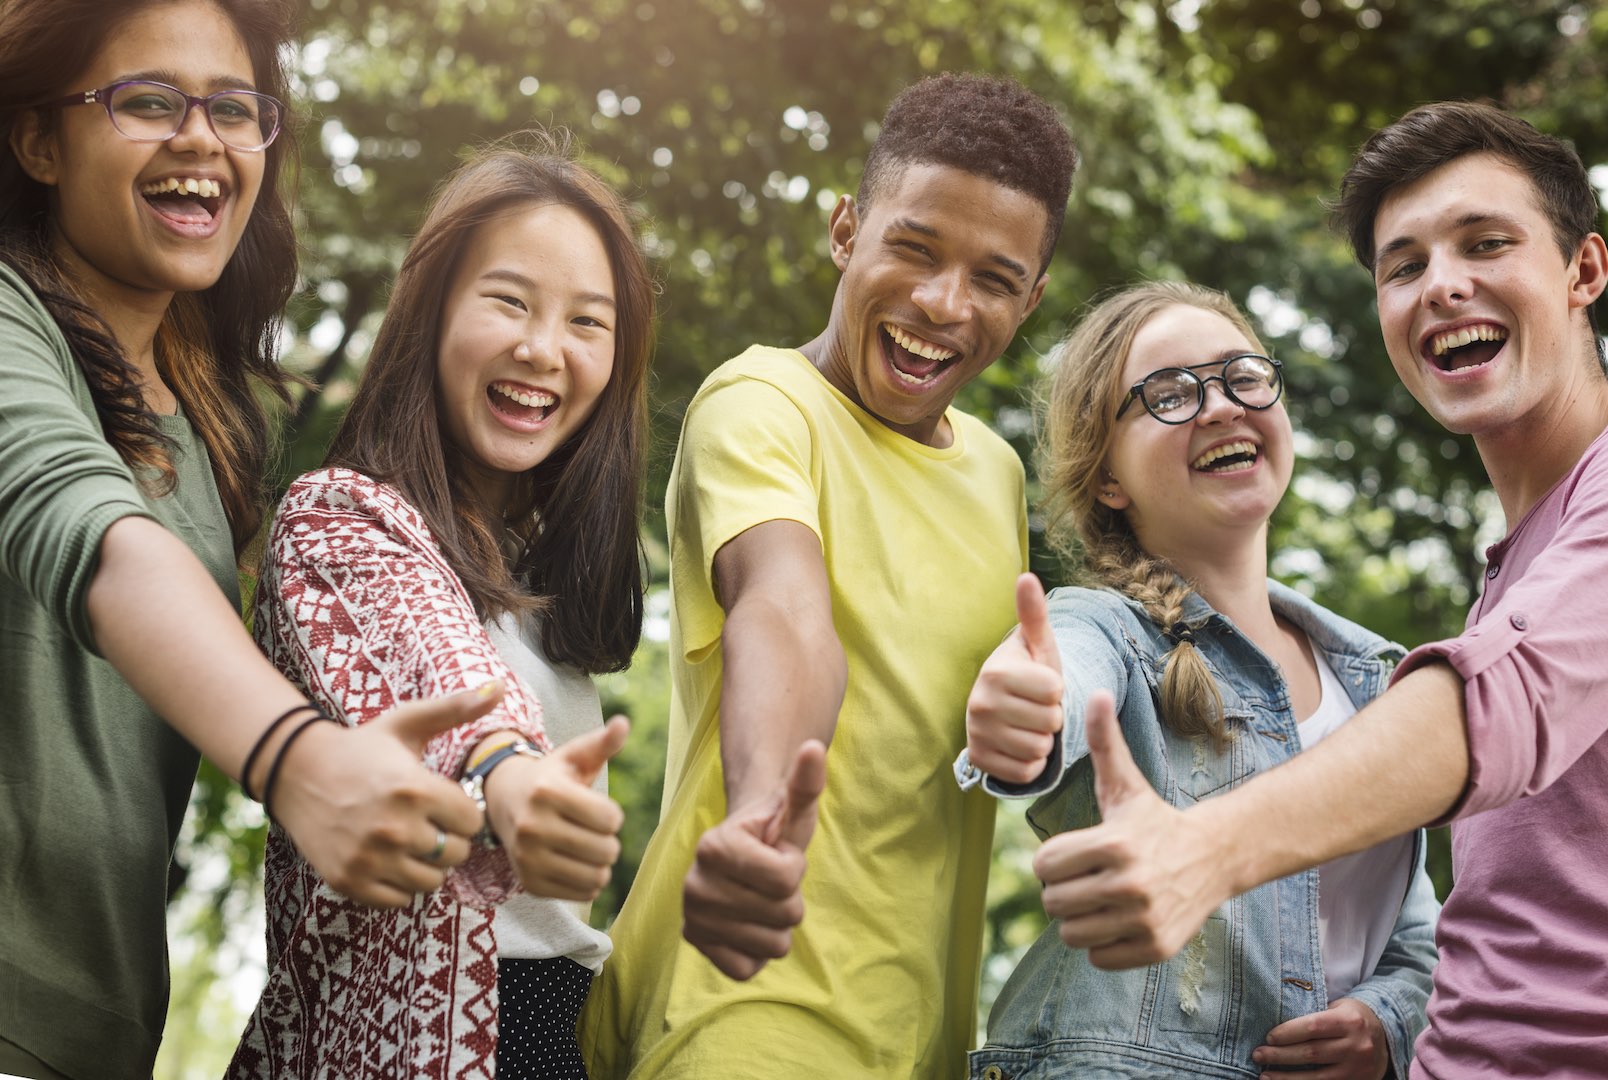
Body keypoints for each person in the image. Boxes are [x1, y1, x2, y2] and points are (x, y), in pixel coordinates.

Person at [1023, 103, 1608, 1078]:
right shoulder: (1519, 565)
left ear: (1583, 271)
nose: (1443, 285)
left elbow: (1499, 702)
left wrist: (1199, 852)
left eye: (1486, 243)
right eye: (1404, 265)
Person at [0, 2, 505, 1077]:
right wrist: (296, 761)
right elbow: (83, 524)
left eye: (235, 109)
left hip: (95, 1029)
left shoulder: (210, 426)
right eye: (147, 101)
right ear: (38, 139)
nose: (202, 138)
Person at [578, 73, 1075, 1079]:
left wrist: (1034, 735)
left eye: (991, 277)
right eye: (914, 248)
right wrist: (764, 812)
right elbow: (786, 608)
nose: (942, 304)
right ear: (847, 230)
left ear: (1032, 299)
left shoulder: (994, 472)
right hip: (742, 1007)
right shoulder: (763, 404)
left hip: (921, 1035)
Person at [225, 135, 654, 1079]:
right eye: (509, 301)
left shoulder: (548, 595)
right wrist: (509, 772)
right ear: (433, 313)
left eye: (589, 321)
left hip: (555, 1038)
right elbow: (430, 662)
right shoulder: (338, 520)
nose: (542, 349)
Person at [959, 281, 1438, 1080]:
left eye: (1241, 376)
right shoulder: (1106, 630)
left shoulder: (1378, 682)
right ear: (1108, 478)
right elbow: (1063, 675)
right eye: (1169, 394)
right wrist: (1027, 708)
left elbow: (1417, 935)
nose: (1218, 406)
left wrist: (1385, 1022)